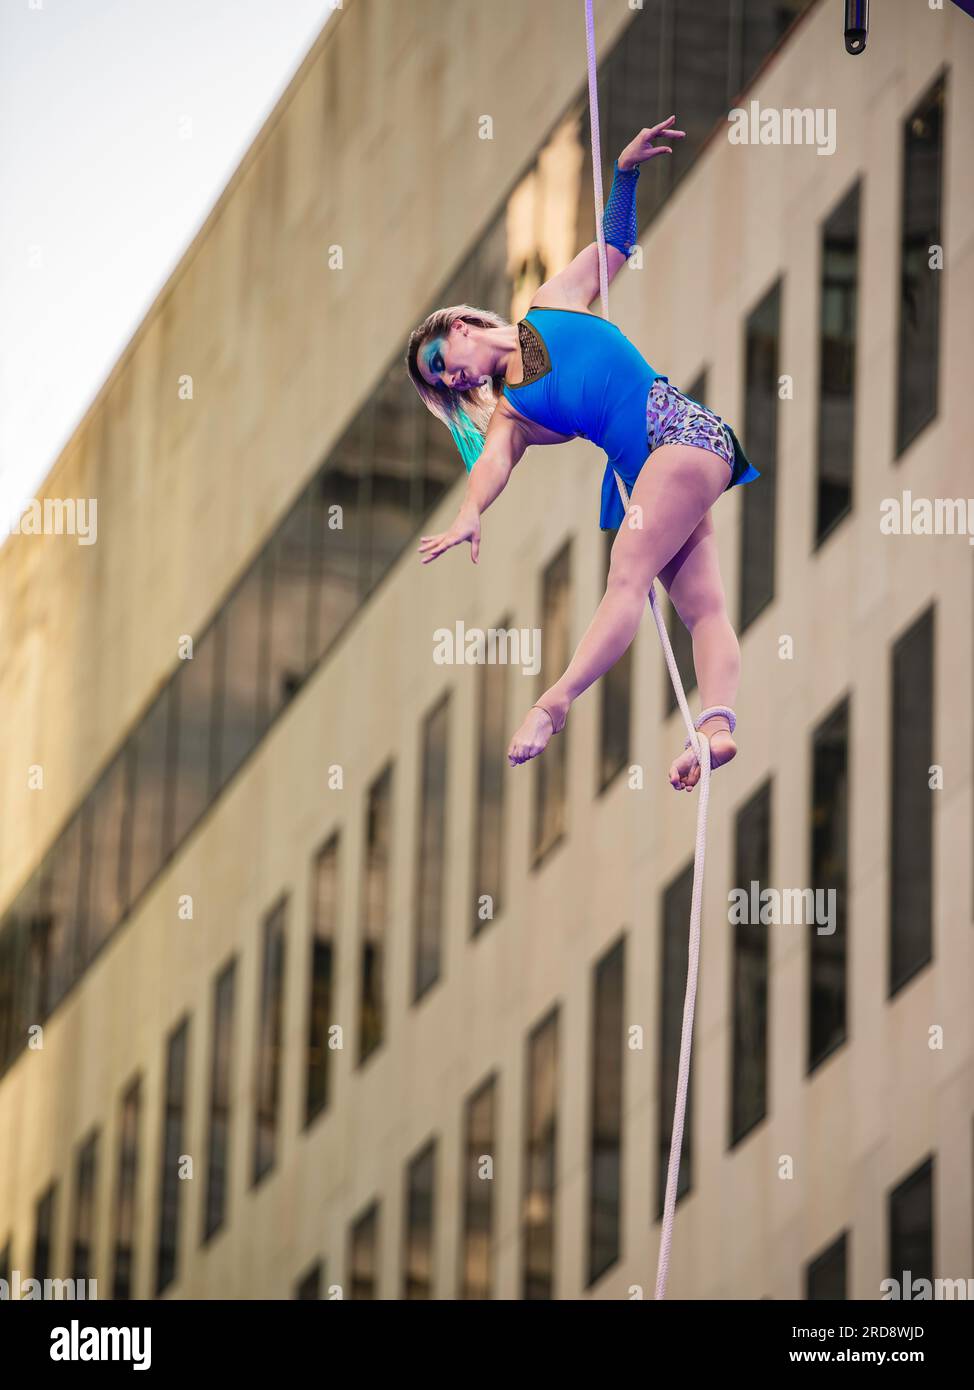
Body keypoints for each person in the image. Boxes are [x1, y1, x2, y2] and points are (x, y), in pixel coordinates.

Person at [405, 117, 759, 792]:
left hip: (681, 435)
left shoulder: (551, 303)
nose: (451, 381)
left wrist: (625, 172)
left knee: (626, 575)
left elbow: (615, 245)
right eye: (441, 386)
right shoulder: (513, 417)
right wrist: (470, 512)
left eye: (439, 364)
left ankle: (554, 703)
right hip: (662, 469)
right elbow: (491, 467)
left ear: (458, 327)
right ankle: (716, 727)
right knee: (703, 609)